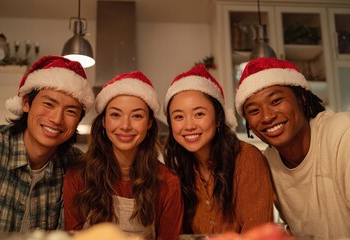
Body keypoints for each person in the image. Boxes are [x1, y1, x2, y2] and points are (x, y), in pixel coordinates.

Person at [235, 57, 350, 239]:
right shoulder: (269, 163)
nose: (267, 117)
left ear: (302, 97)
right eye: (254, 111)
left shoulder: (343, 135)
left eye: (276, 101)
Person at [63, 71, 184, 240]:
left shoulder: (168, 183)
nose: (125, 125)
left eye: (137, 116)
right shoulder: (77, 176)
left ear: (149, 122)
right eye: (115, 115)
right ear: (104, 121)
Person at [163, 64, 274, 235]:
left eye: (199, 114)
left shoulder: (246, 158)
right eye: (179, 117)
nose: (189, 125)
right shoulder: (176, 168)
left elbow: (257, 235)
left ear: (219, 118)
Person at [0, 55, 95, 231]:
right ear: (26, 103)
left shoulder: (76, 166)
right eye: (48, 104)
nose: (56, 119)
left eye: (70, 111)